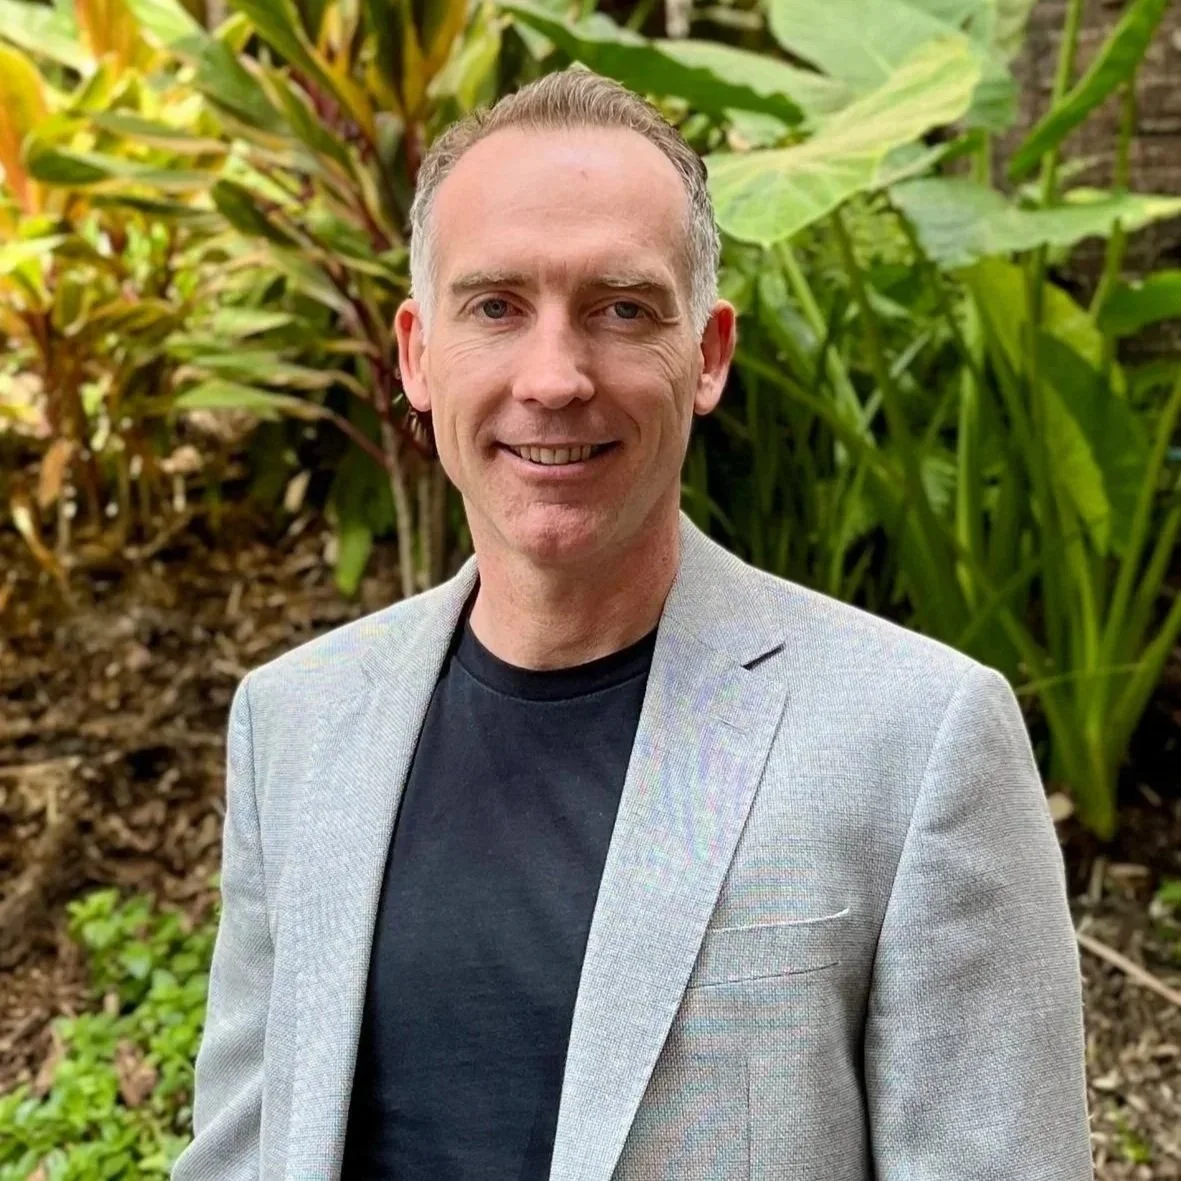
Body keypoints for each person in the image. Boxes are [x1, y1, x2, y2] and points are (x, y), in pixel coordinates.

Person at [171, 67, 1094, 1181]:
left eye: (620, 308)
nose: (554, 377)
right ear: (417, 354)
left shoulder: (915, 740)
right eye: (495, 306)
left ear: (705, 353)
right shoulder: (295, 722)